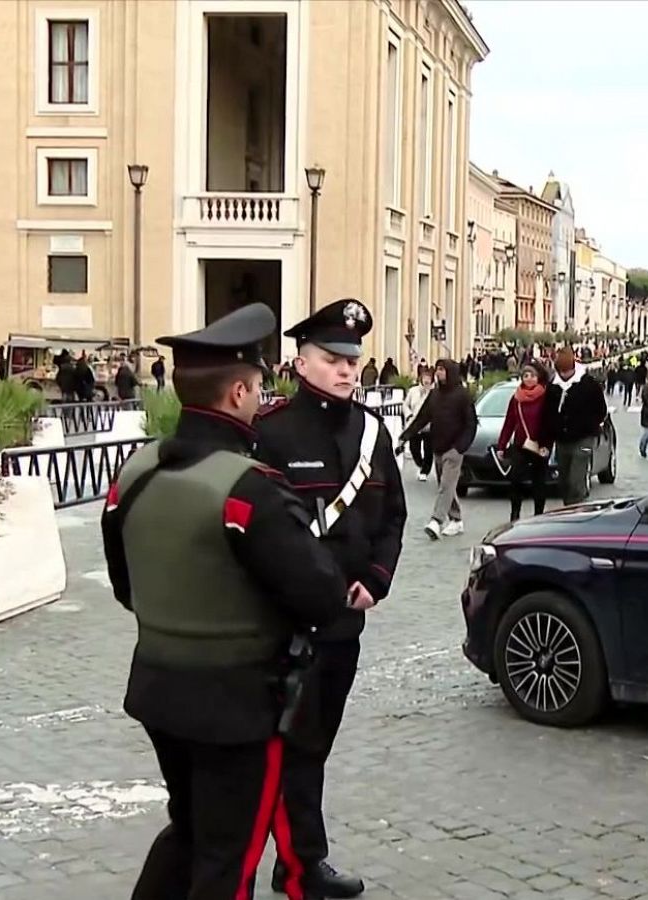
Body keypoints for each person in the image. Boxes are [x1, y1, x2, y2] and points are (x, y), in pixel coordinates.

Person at [100, 303, 358, 900]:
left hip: (159, 689)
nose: (260, 395)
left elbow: (123, 586)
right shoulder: (249, 490)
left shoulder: (134, 474)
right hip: (239, 706)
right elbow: (321, 596)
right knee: (228, 858)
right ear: (238, 391)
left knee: (189, 830)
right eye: (259, 385)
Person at [253, 298, 406, 899]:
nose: (345, 370)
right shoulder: (270, 434)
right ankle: (297, 866)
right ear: (301, 361)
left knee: (313, 746)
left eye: (352, 359)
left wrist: (378, 576)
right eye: (331, 358)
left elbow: (392, 514)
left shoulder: (371, 430)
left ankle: (297, 862)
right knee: (285, 748)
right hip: (285, 626)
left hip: (346, 625)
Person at [399, 359, 476, 539]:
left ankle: (436, 521)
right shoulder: (434, 395)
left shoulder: (462, 395)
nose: (439, 373)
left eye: (442, 370)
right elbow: (422, 418)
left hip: (454, 449)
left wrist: (460, 447)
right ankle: (456, 520)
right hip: (438, 447)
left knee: (446, 485)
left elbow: (471, 424)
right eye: (438, 370)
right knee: (447, 486)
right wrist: (405, 436)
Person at [546, 349, 608, 505]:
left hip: (584, 438)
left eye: (567, 371)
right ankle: (569, 508)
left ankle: (578, 510)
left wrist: (591, 425)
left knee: (576, 479)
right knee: (564, 480)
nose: (564, 375)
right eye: (561, 372)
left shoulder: (589, 384)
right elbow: (548, 411)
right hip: (562, 440)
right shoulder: (554, 387)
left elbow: (601, 409)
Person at [498, 363, 555, 520]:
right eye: (526, 376)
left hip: (540, 445)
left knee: (539, 481)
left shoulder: (546, 396)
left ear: (539, 378)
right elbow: (509, 422)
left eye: (533, 376)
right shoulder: (516, 398)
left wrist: (547, 445)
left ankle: (538, 515)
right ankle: (515, 514)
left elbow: (550, 422)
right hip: (521, 444)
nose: (529, 379)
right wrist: (502, 445)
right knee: (515, 479)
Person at [401, 365, 435, 482]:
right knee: (413, 448)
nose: (426, 380)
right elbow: (405, 404)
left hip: (429, 426)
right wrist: (408, 414)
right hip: (415, 424)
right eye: (424, 377)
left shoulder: (434, 393)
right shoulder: (413, 391)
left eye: (429, 378)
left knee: (428, 449)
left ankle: (425, 470)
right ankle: (420, 464)